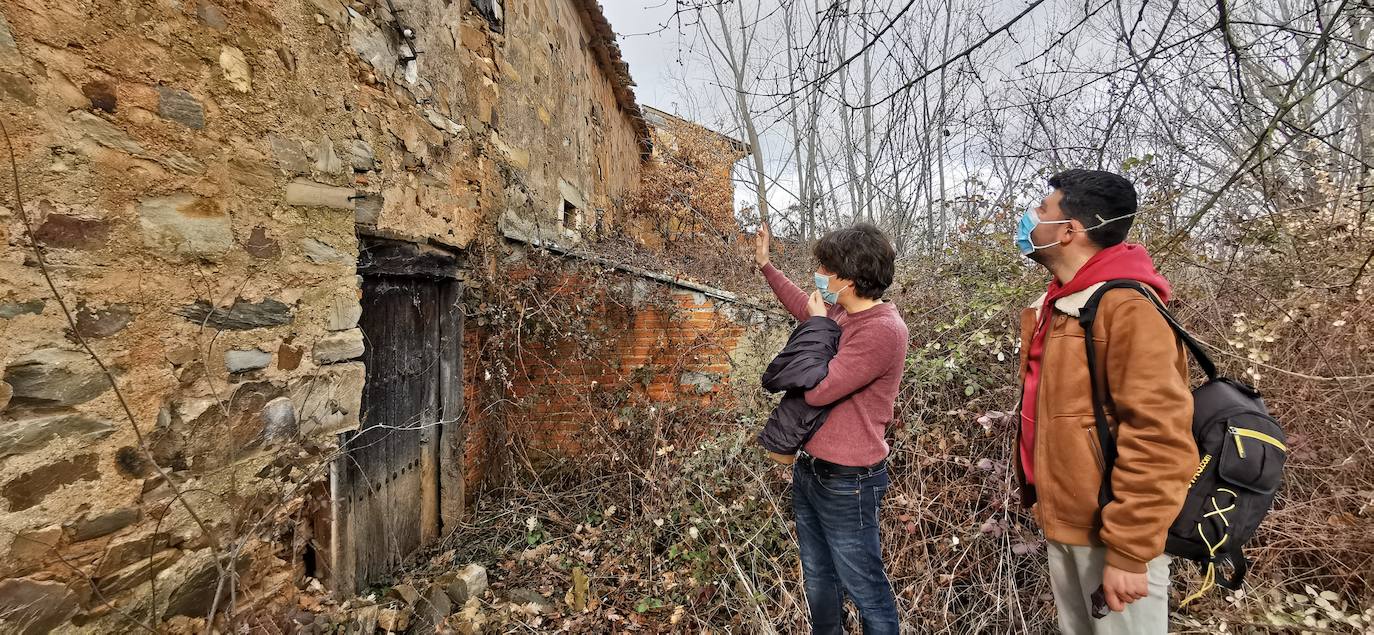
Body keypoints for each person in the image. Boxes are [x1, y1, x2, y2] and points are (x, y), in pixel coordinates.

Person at [1013, 169, 1197, 634]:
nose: (1029, 218)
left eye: (1041, 210)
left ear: (1069, 230)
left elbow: (1160, 435)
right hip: (1070, 522)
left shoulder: (1126, 307)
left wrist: (1130, 551)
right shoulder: (1063, 303)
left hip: (1111, 535)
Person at [754, 222, 908, 634]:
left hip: (848, 481)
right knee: (819, 580)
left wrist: (820, 326)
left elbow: (819, 390)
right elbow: (803, 306)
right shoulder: (841, 312)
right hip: (811, 469)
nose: (818, 274)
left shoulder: (882, 330)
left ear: (850, 278)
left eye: (826, 268)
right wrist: (766, 265)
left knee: (865, 589)